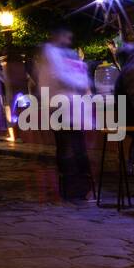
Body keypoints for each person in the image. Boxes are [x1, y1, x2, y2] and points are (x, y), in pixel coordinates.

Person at [33, 25, 93, 201]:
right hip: (63, 106)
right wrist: (81, 82)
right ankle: (76, 188)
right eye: (67, 37)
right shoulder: (52, 54)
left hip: (60, 106)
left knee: (69, 145)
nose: (69, 41)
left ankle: (73, 188)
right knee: (73, 146)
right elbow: (62, 76)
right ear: (58, 35)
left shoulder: (50, 54)